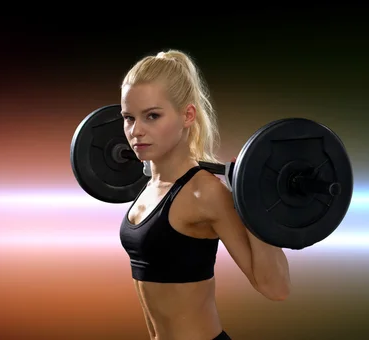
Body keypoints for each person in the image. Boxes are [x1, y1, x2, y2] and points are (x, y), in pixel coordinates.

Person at [118, 50, 292, 340]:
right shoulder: (150, 186)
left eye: (152, 116)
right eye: (128, 118)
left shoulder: (204, 192)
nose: (136, 131)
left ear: (187, 115)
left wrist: (255, 205)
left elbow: (276, 288)